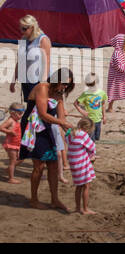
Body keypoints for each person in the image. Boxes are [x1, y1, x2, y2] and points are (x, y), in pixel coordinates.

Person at [20, 67, 76, 210]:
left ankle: (54, 199)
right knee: (39, 165)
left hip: (48, 126)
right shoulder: (42, 88)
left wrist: (72, 132)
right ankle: (33, 200)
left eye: (67, 85)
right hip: (33, 126)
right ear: (56, 80)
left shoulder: (59, 94)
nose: (64, 87)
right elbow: (43, 113)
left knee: (53, 164)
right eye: (63, 83)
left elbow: (61, 118)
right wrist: (62, 123)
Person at [10, 15, 52, 99]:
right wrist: (13, 81)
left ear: (32, 27)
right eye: (21, 28)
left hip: (38, 80)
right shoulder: (23, 39)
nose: (22, 31)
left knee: (39, 106)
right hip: (26, 79)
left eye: (24, 29)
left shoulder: (43, 40)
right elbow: (20, 62)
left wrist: (43, 82)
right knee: (29, 106)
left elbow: (47, 62)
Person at [67, 116, 97, 215]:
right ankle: (85, 209)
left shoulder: (71, 133)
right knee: (86, 185)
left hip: (73, 162)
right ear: (86, 128)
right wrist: (92, 155)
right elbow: (92, 146)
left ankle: (77, 207)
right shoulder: (83, 134)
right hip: (81, 163)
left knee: (78, 186)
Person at [73, 74, 105, 142]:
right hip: (89, 121)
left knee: (97, 138)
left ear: (97, 83)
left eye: (93, 85)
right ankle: (91, 151)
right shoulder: (85, 94)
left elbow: (103, 104)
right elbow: (75, 103)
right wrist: (82, 111)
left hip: (98, 120)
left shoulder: (102, 93)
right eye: (89, 85)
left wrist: (104, 116)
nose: (91, 88)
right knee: (91, 140)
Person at [3, 102, 22, 183]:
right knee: (13, 161)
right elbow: (1, 128)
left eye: (22, 114)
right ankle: (11, 178)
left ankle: (9, 169)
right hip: (11, 144)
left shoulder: (16, 120)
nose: (21, 116)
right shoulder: (10, 120)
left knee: (20, 158)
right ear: (12, 113)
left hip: (16, 143)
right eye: (19, 114)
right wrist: (9, 132)